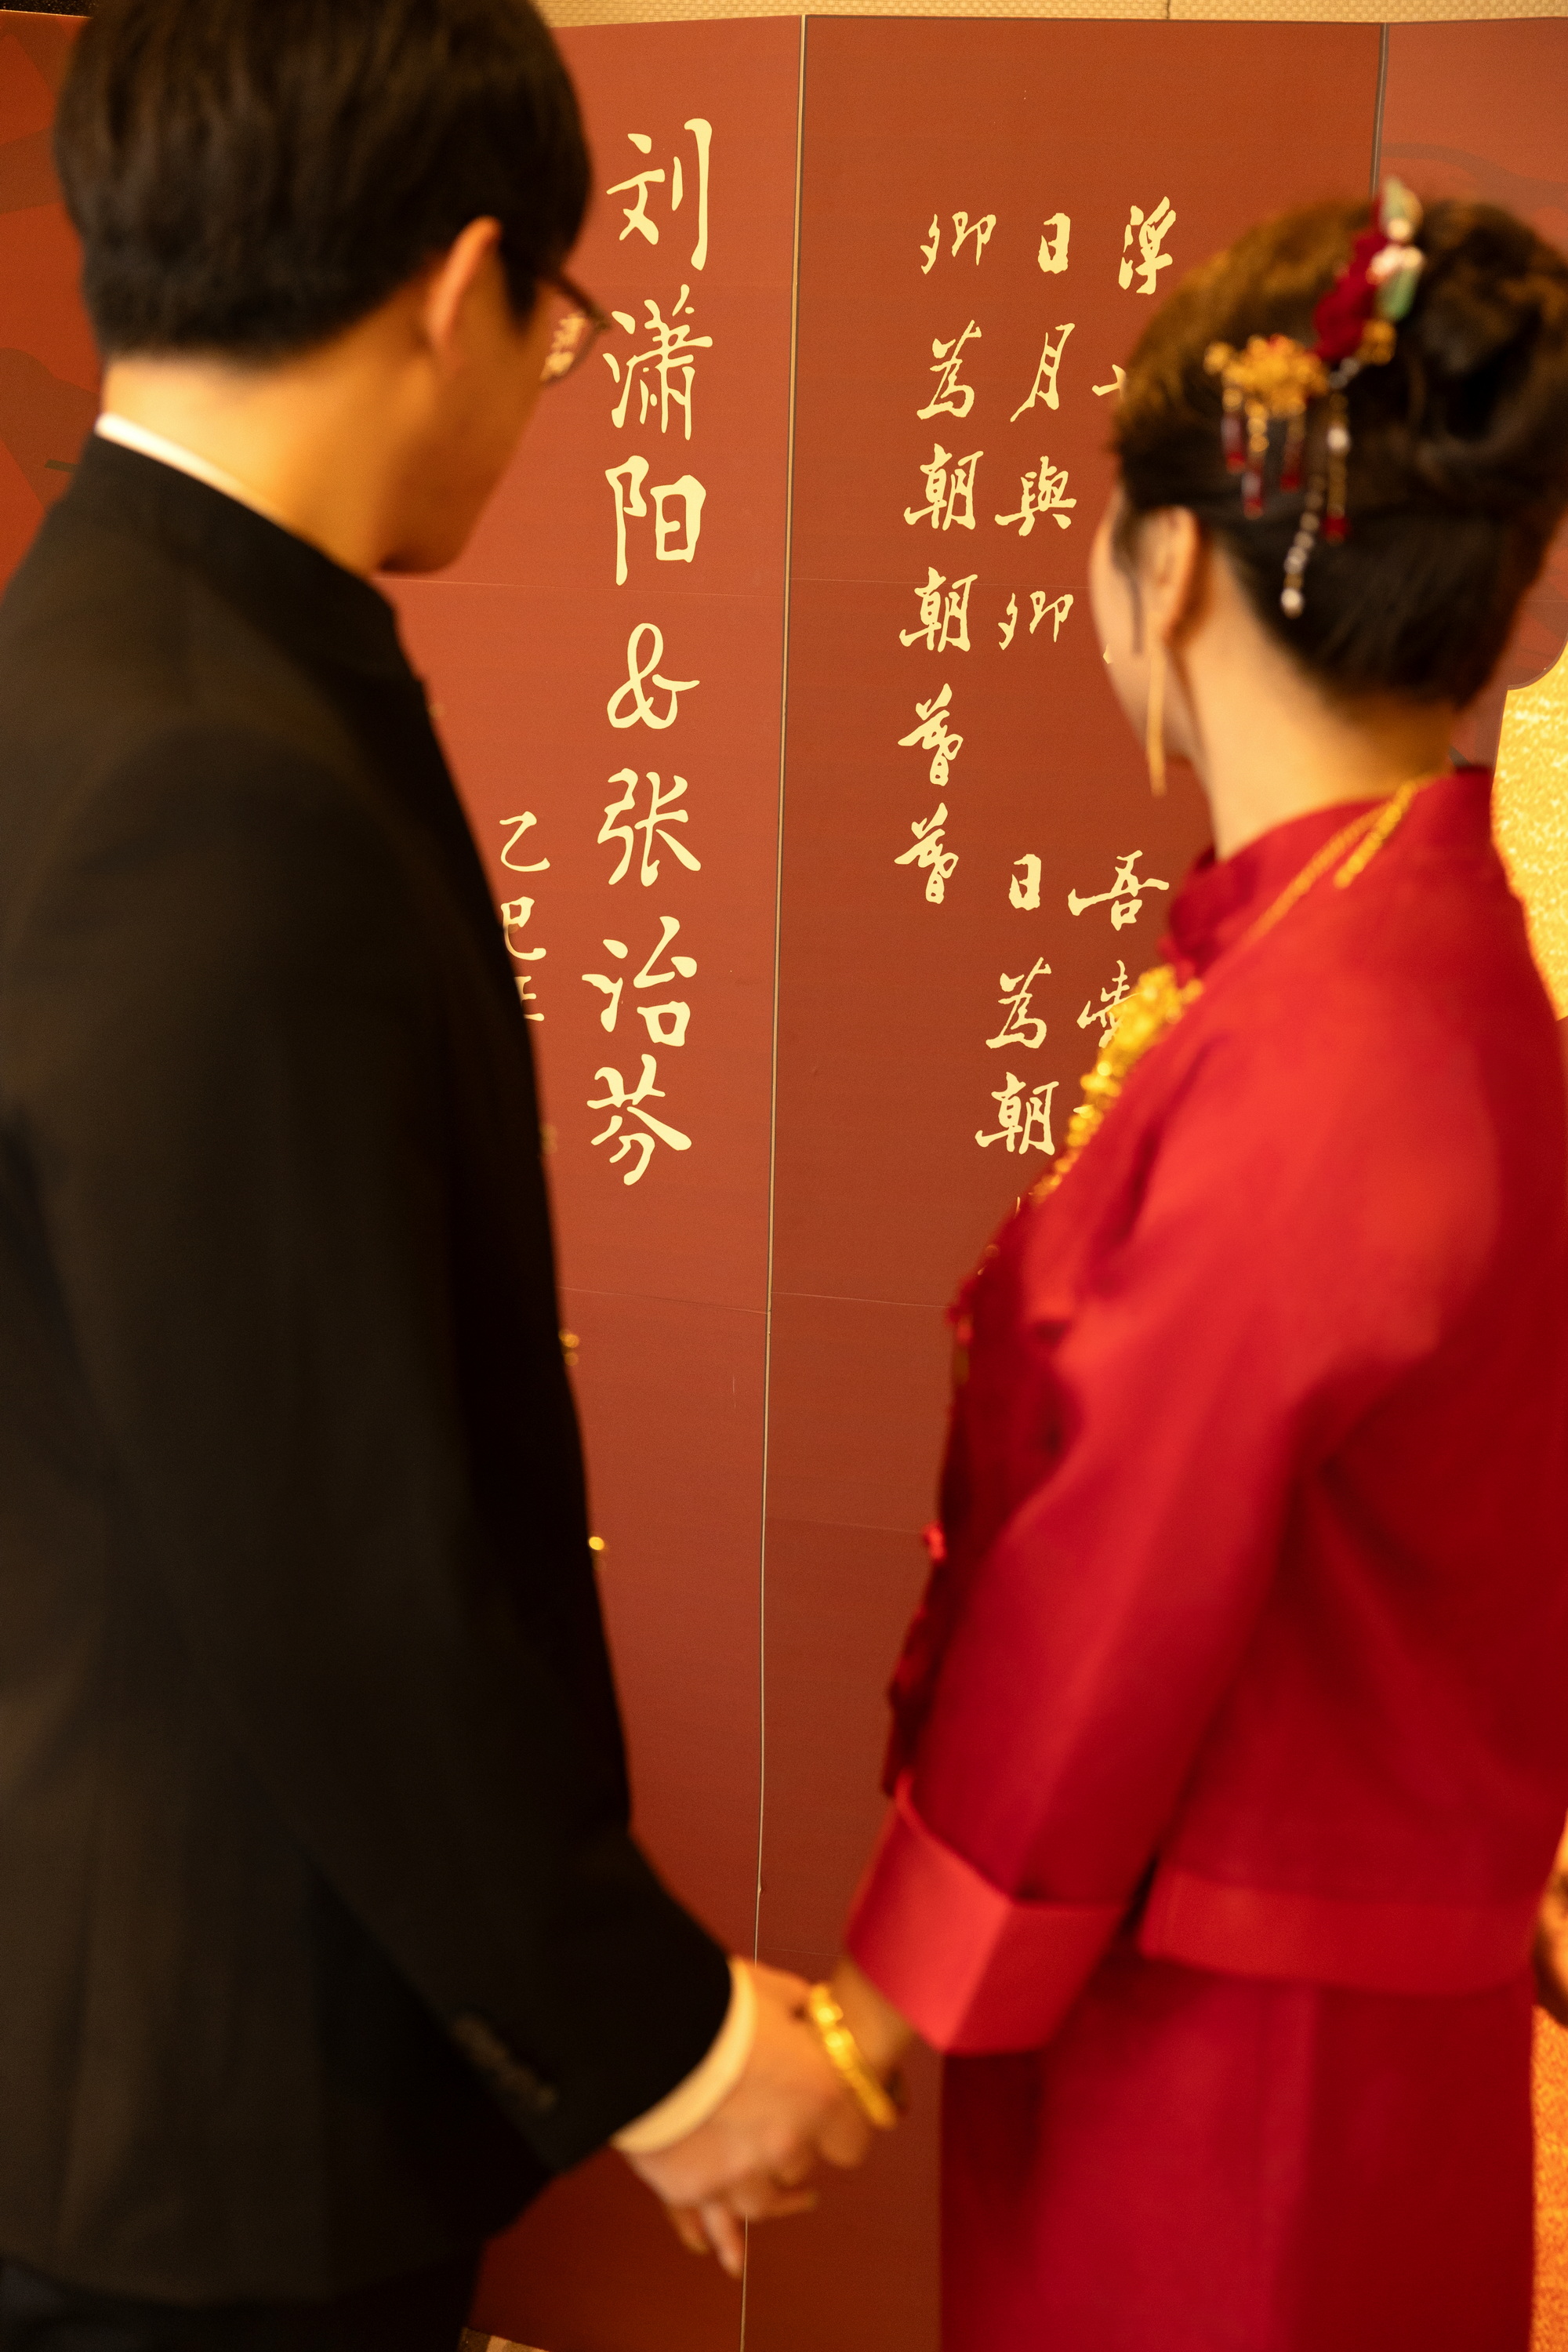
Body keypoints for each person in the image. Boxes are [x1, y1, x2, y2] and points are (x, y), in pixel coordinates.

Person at [0, 2, 868, 2343]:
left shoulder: (102, 654)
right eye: (564, 323)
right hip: (202, 2116)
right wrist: (666, 2048)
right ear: (462, 282)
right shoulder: (205, 764)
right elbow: (328, 1544)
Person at [789, 189, 1568, 2348]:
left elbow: (1118, 1563)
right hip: (1333, 2008)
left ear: (1173, 569)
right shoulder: (1411, 959)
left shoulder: (1327, 1043)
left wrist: (869, 2021)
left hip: (1233, 2069)